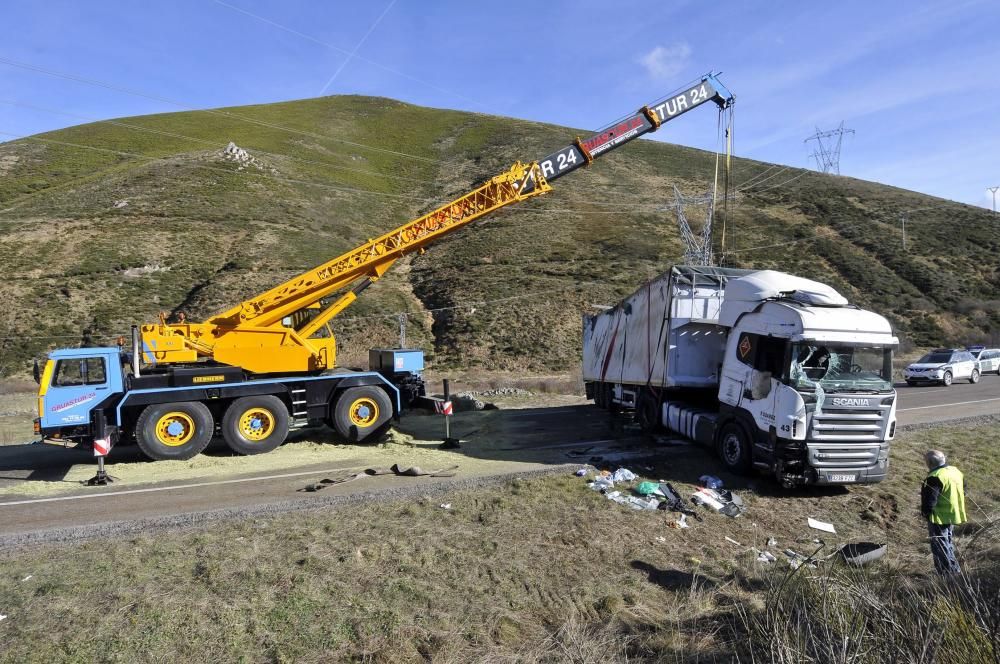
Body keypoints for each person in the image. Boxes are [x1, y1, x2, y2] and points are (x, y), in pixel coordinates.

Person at [920, 450, 966, 575]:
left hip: (938, 517)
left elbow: (930, 501)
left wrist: (925, 513)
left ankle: (947, 575)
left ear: (929, 463)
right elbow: (964, 489)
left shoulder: (934, 477)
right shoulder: (955, 471)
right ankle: (954, 570)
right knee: (947, 543)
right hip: (952, 513)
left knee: (940, 546)